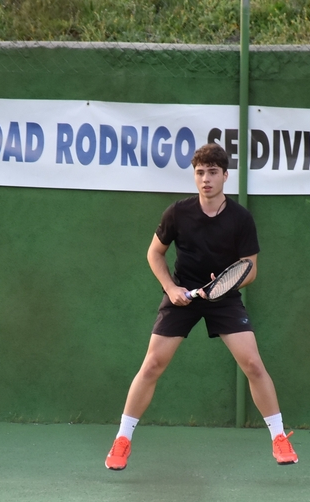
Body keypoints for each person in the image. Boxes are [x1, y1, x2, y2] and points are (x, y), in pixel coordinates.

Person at [104, 143, 298, 471]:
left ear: (225, 176)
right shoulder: (177, 213)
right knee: (152, 365)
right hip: (182, 296)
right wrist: (171, 288)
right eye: (199, 173)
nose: (205, 179)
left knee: (252, 363)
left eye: (212, 172)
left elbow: (249, 268)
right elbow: (155, 254)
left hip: (223, 298)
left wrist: (223, 285)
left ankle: (279, 438)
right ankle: (122, 440)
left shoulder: (241, 218)